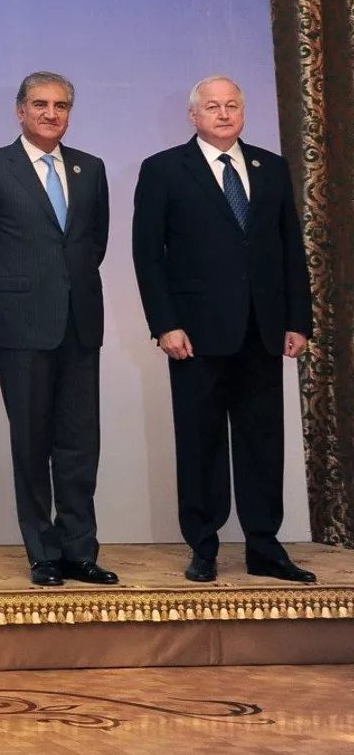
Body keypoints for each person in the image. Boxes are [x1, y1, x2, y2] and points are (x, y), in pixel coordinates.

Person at [132, 76, 315, 584]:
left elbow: (290, 248)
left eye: (232, 105)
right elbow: (148, 255)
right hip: (195, 334)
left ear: (243, 112)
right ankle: (203, 546)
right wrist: (165, 324)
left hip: (262, 329)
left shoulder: (271, 167)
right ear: (193, 115)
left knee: (262, 442)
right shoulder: (164, 169)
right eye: (212, 106)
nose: (223, 113)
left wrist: (298, 320)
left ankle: (264, 547)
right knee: (200, 440)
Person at [0, 73, 116, 587]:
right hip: (22, 328)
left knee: (80, 445)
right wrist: (7, 301)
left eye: (61, 105)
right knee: (31, 442)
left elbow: (93, 244)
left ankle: (79, 551)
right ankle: (43, 552)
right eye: (41, 104)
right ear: (20, 110)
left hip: (81, 324)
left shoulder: (91, 168)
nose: (51, 113)